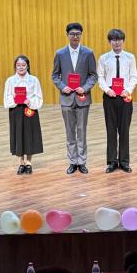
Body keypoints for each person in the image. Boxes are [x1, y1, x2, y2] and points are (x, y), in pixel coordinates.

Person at [52, 22, 97, 175]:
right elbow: (55, 75)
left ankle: (82, 162)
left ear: (81, 35)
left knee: (82, 131)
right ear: (67, 35)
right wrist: (62, 86)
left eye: (78, 34)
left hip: (82, 98)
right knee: (70, 132)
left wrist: (84, 88)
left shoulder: (88, 53)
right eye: (72, 34)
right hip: (66, 98)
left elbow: (93, 75)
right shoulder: (60, 54)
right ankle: (72, 161)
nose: (75, 36)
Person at [97, 29, 137, 173]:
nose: (117, 42)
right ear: (110, 41)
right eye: (114, 40)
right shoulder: (103, 58)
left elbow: (134, 76)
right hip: (110, 96)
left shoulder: (130, 57)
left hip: (125, 96)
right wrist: (107, 90)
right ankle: (112, 162)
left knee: (124, 130)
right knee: (111, 129)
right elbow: (100, 77)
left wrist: (128, 89)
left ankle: (124, 162)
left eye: (119, 39)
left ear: (123, 41)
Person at [3, 55, 44, 174]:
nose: (21, 67)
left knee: (30, 135)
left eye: (23, 65)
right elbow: (6, 97)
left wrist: (29, 101)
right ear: (15, 67)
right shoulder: (10, 80)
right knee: (18, 135)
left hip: (29, 110)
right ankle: (21, 162)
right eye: (18, 65)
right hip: (16, 110)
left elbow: (39, 97)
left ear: (27, 66)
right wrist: (15, 99)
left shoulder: (34, 80)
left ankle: (29, 162)